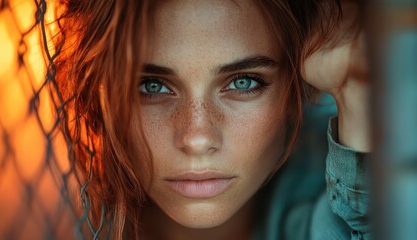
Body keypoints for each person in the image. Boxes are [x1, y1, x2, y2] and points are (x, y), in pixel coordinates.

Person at [54, 0, 370, 239]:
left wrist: (356, 89)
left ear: (295, 93)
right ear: (101, 94)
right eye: (152, 86)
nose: (197, 138)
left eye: (243, 82)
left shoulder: (314, 190)